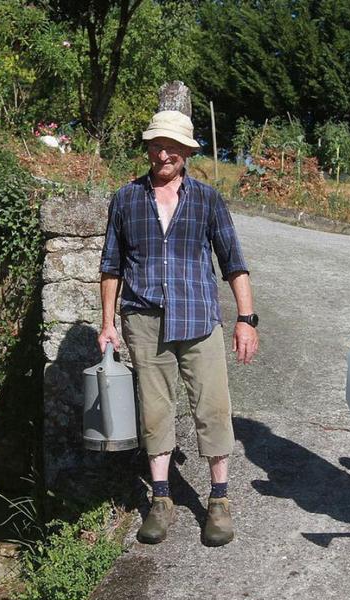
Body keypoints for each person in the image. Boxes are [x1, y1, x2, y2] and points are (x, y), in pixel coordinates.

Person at [98, 109, 259, 547]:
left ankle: (220, 500)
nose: (163, 152)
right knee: (154, 409)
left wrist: (246, 319)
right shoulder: (126, 199)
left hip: (198, 317)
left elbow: (233, 261)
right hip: (143, 318)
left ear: (187, 152)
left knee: (212, 406)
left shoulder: (206, 199)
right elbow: (111, 266)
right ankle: (162, 499)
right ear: (148, 148)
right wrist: (108, 322)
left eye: (172, 146)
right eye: (156, 144)